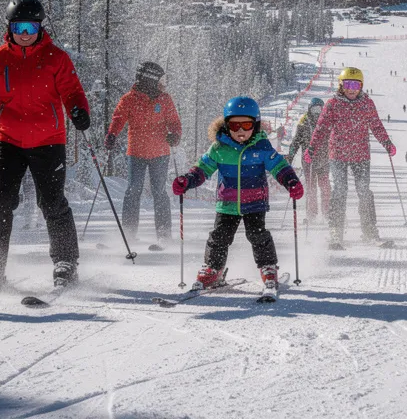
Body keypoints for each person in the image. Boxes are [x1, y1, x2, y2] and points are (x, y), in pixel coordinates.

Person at [0, 0, 90, 291]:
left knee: (51, 202)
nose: (25, 32)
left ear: (40, 27)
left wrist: (78, 111)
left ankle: (66, 262)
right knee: (1, 202)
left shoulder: (56, 58)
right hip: (8, 140)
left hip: (48, 141)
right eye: (19, 26)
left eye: (31, 26)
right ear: (10, 28)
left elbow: (72, 91)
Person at [172, 97, 302, 299]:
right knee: (219, 236)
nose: (240, 130)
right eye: (234, 125)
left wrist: (291, 181)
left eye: (247, 124)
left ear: (255, 125)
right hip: (227, 203)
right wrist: (187, 180)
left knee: (258, 235)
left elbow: (279, 166)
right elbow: (203, 168)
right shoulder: (219, 148)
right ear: (226, 125)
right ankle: (213, 269)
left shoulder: (261, 147)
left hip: (255, 202)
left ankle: (268, 267)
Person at [308, 67, 396, 249]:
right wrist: (312, 147)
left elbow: (376, 125)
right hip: (338, 154)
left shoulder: (367, 104)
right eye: (347, 84)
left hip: (361, 154)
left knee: (364, 191)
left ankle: (370, 230)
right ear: (341, 85)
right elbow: (322, 128)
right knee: (340, 190)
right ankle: (335, 231)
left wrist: (387, 143)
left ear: (361, 86)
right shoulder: (332, 104)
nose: (351, 89)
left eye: (355, 85)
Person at [105, 61, 182, 245]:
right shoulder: (129, 99)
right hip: (136, 153)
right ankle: (129, 233)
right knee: (133, 190)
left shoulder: (164, 99)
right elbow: (118, 118)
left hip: (160, 153)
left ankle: (164, 234)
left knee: (159, 191)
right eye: (161, 80)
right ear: (150, 79)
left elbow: (174, 122)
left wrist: (175, 135)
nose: (164, 84)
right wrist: (112, 134)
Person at [285, 97, 331, 220]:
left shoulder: (326, 122)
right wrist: (290, 155)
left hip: (324, 160)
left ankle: (327, 212)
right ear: (310, 109)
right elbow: (296, 142)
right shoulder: (304, 123)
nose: (317, 113)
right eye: (314, 109)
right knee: (311, 188)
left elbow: (333, 139)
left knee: (325, 186)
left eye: (320, 109)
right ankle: (311, 213)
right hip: (308, 161)